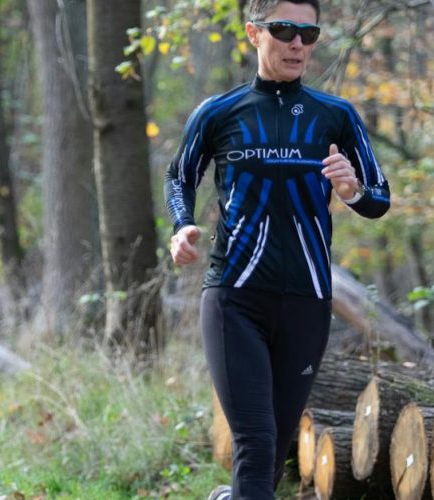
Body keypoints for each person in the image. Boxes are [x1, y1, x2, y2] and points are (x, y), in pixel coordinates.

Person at [162, 1, 390, 498]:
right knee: (257, 440)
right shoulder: (219, 113)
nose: (297, 44)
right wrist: (181, 226)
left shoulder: (338, 116)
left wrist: (352, 193)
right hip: (235, 299)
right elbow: (180, 176)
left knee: (270, 452)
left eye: (309, 34)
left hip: (307, 303)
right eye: (285, 30)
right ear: (253, 33)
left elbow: (379, 199)